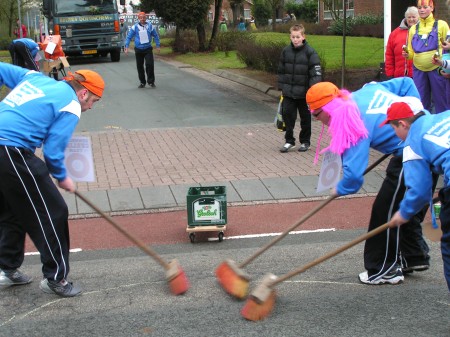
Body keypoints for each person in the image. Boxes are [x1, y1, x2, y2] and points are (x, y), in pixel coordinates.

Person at [305, 78, 434, 285]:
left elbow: (354, 177)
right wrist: (414, 115)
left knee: (385, 211)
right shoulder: (365, 91)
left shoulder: (351, 121)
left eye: (316, 114)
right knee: (402, 205)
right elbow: (407, 83)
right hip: (422, 148)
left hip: (413, 154)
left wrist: (340, 188)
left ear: (328, 107)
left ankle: (383, 269)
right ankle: (413, 256)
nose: (317, 119)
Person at [0, 64, 105, 297]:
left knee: (12, 210)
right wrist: (62, 176)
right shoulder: (71, 105)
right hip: (11, 150)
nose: (90, 107)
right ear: (83, 93)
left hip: (6, 149)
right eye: (93, 101)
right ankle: (56, 278)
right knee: (54, 211)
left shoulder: (34, 77)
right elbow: (53, 150)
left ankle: (7, 268)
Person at [382, 99, 450, 291]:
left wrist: (403, 213)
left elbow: (419, 190)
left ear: (403, 124)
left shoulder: (413, 142)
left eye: (393, 128)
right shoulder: (445, 116)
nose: (395, 135)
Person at [278, 24, 322, 153]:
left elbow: (316, 73)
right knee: (288, 117)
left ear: (303, 37)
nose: (295, 39)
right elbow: (281, 71)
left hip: (305, 94)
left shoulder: (310, 52)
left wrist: (312, 90)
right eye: (293, 37)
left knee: (305, 118)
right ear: (290, 37)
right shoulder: (286, 51)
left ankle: (305, 141)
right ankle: (289, 141)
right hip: (289, 93)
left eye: (298, 37)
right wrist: (282, 87)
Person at [403, 0, 450, 113]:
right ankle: (423, 126)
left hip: (437, 69)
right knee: (421, 101)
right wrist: (407, 54)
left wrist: (446, 66)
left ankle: (444, 125)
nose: (422, 10)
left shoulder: (442, 25)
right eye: (419, 8)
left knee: (441, 100)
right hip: (418, 70)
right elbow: (411, 53)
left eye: (425, 7)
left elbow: (448, 48)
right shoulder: (413, 28)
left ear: (432, 8)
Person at [125, 12, 161, 88]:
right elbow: (128, 37)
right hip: (138, 49)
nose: (142, 19)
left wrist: (158, 45)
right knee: (139, 66)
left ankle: (151, 81)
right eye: (141, 18)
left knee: (149, 65)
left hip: (148, 48)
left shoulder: (150, 26)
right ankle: (142, 82)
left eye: (144, 17)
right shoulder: (135, 27)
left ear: (146, 18)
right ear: (138, 18)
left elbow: (155, 35)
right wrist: (126, 46)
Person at [385, 6, 419, 78]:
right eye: (409, 17)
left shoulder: (423, 31)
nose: (411, 19)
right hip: (399, 75)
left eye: (413, 17)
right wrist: (389, 73)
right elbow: (389, 55)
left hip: (417, 74)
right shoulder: (395, 33)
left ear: (418, 17)